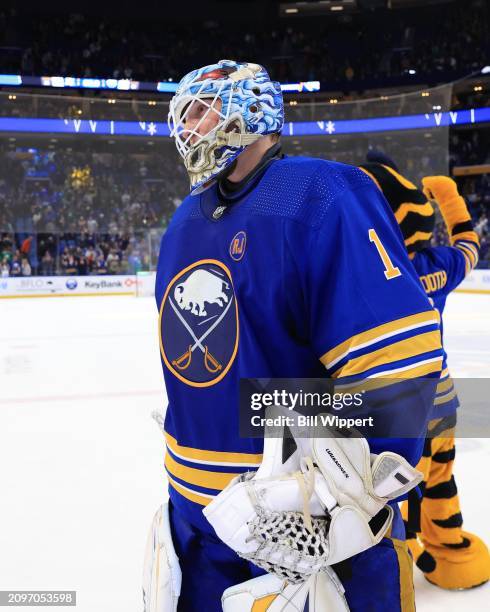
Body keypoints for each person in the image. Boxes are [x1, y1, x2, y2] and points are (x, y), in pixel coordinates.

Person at [146, 60, 444, 612]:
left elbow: (398, 377)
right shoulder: (184, 221)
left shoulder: (320, 193)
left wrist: (342, 504)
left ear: (253, 110)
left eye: (205, 107)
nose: (191, 122)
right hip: (196, 520)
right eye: (185, 111)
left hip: (306, 528)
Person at [359, 151, 490, 590]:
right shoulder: (438, 265)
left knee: (387, 487)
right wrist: (451, 198)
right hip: (442, 399)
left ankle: (394, 558)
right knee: (438, 479)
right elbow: (469, 247)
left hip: (392, 409)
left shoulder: (367, 273)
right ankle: (449, 550)